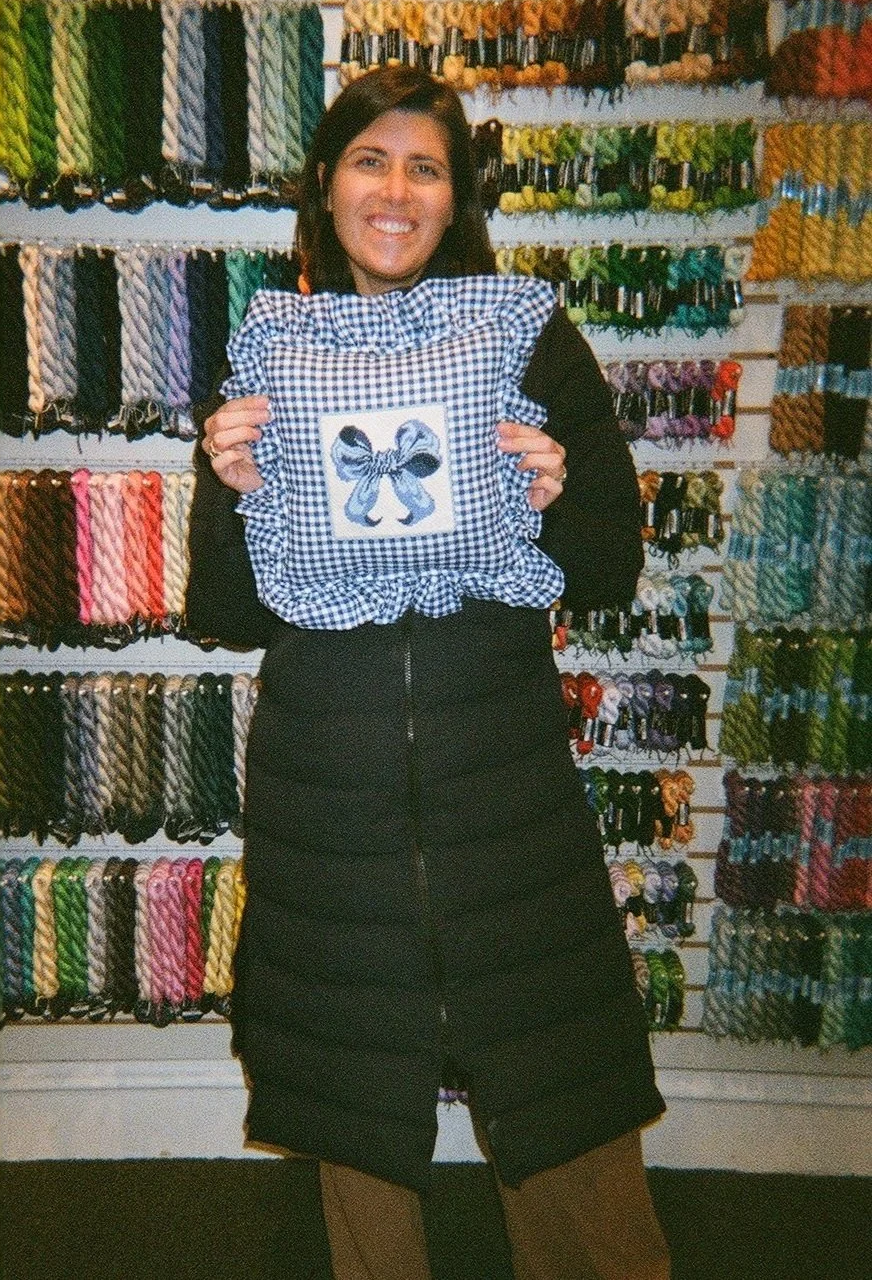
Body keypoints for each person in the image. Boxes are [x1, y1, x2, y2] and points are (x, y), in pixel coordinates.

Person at [185, 65, 671, 1280]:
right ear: (325, 182)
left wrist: (554, 496)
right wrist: (232, 492)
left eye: (424, 168)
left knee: (564, 1098)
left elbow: (608, 560)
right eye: (369, 160)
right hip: (329, 788)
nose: (394, 191)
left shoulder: (521, 336)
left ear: (455, 200)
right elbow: (228, 611)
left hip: (497, 771)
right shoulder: (274, 354)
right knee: (355, 1106)